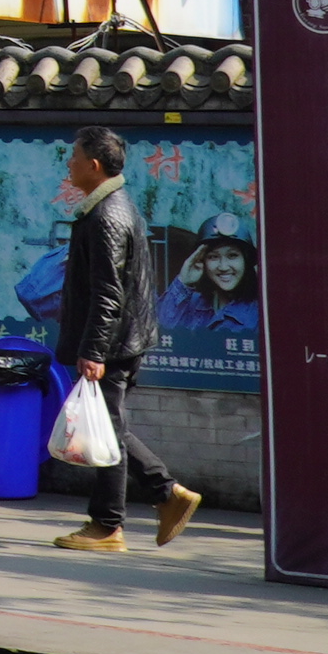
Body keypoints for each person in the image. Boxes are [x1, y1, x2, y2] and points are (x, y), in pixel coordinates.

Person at [52, 126, 205, 553]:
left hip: (114, 343)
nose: (69, 163)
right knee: (111, 426)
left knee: (109, 432)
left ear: (93, 166)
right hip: (122, 338)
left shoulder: (107, 216)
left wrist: (93, 351)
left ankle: (108, 525)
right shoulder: (110, 208)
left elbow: (108, 293)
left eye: (74, 156)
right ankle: (166, 494)